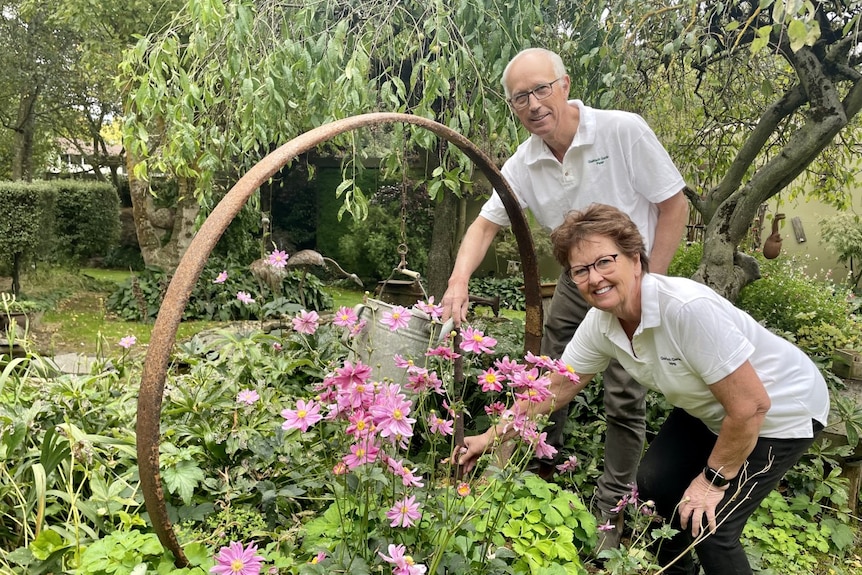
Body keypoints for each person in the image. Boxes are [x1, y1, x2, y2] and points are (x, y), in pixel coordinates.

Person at [457, 204, 829, 575]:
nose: (594, 278)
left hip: (780, 411)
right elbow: (553, 388)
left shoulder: (684, 309)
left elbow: (750, 406)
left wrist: (711, 482)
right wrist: (488, 436)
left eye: (605, 261)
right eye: (581, 270)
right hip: (715, 408)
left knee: (712, 526)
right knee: (657, 487)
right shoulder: (602, 323)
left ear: (635, 258)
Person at [440, 47, 690, 548]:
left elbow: (673, 203)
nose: (532, 104)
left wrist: (652, 284)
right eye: (519, 98)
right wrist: (458, 280)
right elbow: (485, 224)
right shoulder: (525, 161)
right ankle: (537, 469)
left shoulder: (622, 130)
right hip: (577, 283)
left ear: (565, 84)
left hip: (633, 277)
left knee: (624, 391)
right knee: (548, 374)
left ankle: (610, 512)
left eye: (540, 89)